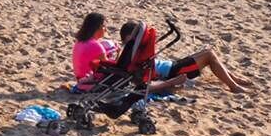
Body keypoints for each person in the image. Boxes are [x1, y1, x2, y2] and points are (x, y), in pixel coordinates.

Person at [117, 20, 253, 94]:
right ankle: (233, 85)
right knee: (208, 55)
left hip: (173, 66)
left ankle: (233, 79)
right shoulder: (129, 53)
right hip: (172, 72)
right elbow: (142, 80)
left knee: (208, 52)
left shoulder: (133, 51)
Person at [71, 12, 121, 92]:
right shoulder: (96, 46)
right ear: (99, 27)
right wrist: (119, 53)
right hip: (90, 83)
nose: (106, 29)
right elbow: (110, 68)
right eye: (104, 26)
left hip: (80, 80)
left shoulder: (80, 41)